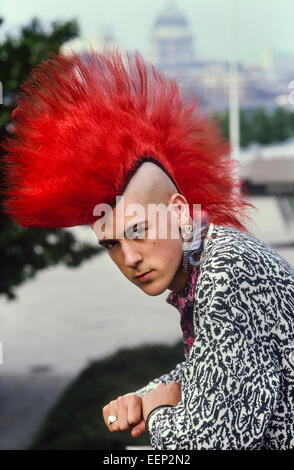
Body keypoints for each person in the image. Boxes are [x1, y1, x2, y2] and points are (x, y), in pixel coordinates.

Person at [0, 49, 293, 450]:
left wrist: (157, 414)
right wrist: (148, 395)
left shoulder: (227, 271)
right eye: (111, 243)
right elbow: (214, 371)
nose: (130, 257)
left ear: (177, 211)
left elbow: (218, 441)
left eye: (139, 229)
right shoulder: (204, 263)